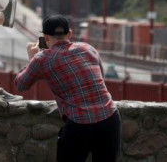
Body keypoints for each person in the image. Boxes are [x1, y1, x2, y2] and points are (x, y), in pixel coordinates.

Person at [15, 14, 121, 161]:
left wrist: (33, 58)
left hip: (79, 123)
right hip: (109, 118)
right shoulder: (88, 48)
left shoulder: (43, 59)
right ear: (69, 33)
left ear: (45, 38)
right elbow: (100, 79)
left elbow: (21, 84)